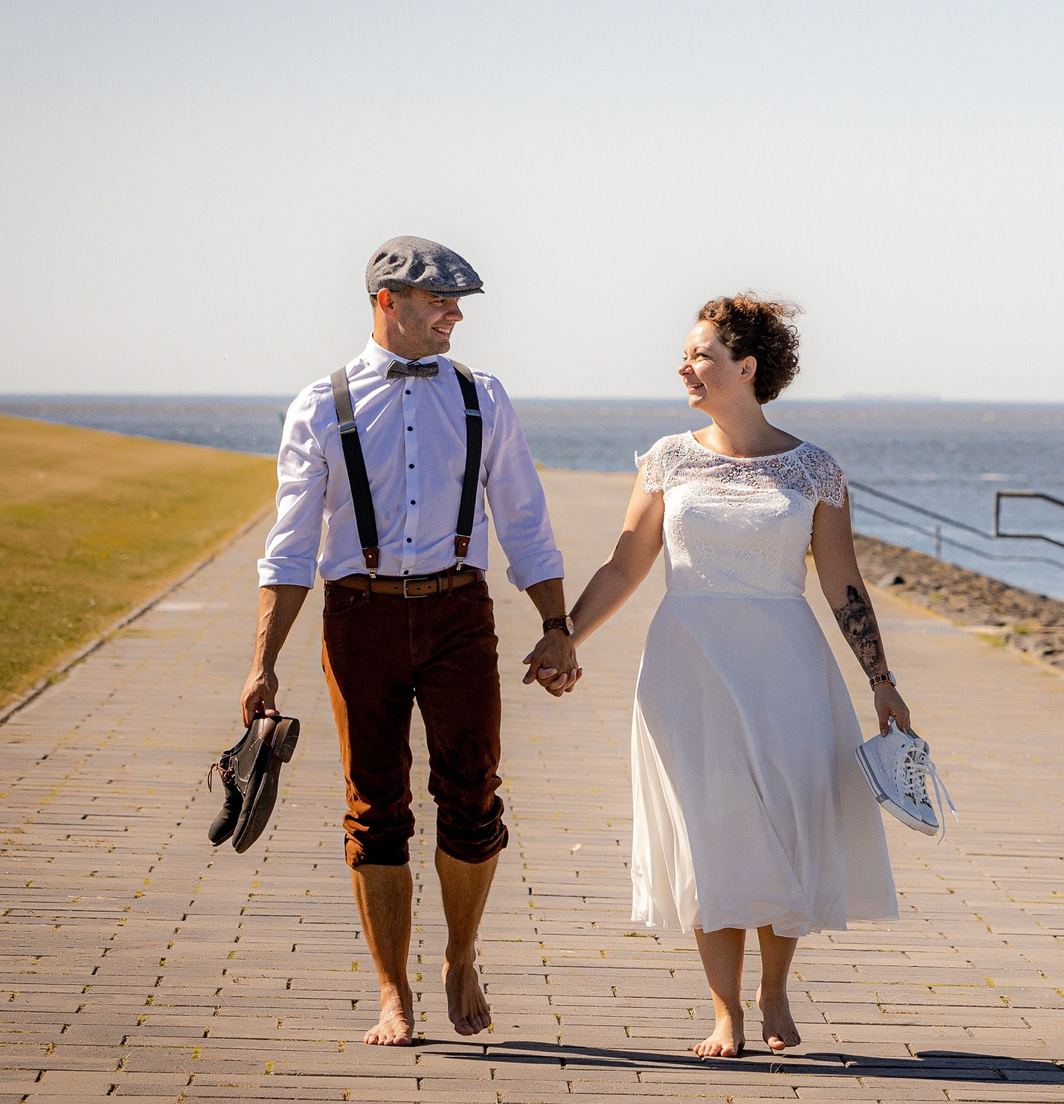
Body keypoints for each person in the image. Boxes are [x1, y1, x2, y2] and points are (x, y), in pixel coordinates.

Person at [242, 237, 581, 1046]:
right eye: (440, 299)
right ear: (387, 300)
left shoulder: (483, 397)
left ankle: (460, 954)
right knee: (375, 805)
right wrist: (262, 662)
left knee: (472, 794)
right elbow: (288, 548)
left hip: (460, 612)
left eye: (459, 301)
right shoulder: (321, 404)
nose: (455, 314)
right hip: (358, 618)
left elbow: (524, 519)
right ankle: (392, 990)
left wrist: (556, 624)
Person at [559, 294, 908, 1058]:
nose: (685, 365)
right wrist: (565, 636)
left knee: (787, 823)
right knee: (709, 830)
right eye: (688, 354)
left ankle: (774, 991)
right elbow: (625, 562)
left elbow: (843, 581)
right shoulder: (667, 459)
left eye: (701, 354)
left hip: (787, 666)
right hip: (688, 666)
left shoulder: (815, 469)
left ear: (745, 368)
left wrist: (882, 680)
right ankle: (725, 1012)